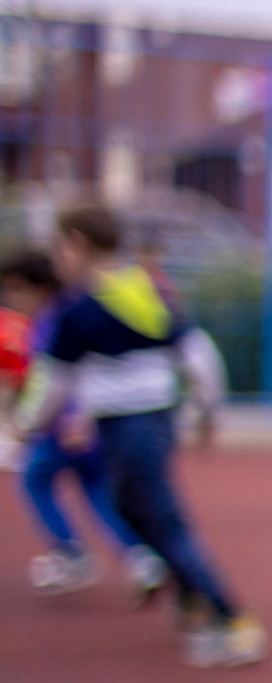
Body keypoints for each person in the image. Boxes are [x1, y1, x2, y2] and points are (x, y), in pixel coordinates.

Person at [18, 207, 263, 667]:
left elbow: (53, 383)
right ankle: (194, 598)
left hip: (132, 429)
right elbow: (194, 355)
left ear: (76, 242)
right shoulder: (144, 288)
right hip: (150, 421)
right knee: (137, 511)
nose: (57, 259)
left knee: (161, 520)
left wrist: (26, 424)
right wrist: (207, 408)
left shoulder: (80, 306)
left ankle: (231, 620)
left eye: (59, 247)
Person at [1, 246, 163, 597]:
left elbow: (60, 377)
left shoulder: (53, 320)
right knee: (99, 490)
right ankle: (141, 556)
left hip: (66, 424)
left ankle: (70, 552)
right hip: (90, 422)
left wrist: (34, 421)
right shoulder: (71, 309)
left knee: (35, 479)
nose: (12, 301)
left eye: (13, 291)